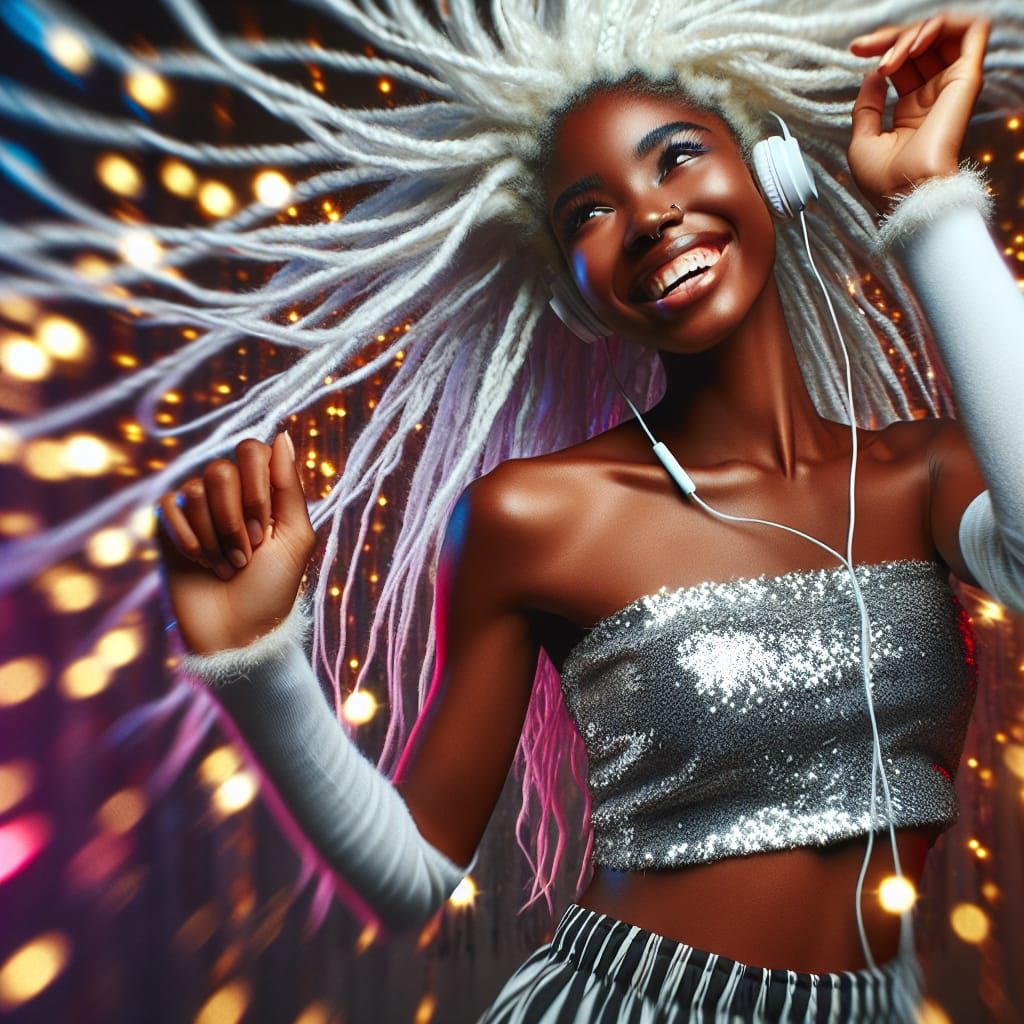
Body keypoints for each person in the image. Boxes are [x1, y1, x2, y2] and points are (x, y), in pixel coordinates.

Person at [2, 0, 1022, 1020]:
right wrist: (260, 665)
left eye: (676, 158)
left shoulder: (921, 473)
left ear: (771, 171)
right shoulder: (539, 515)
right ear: (574, 289)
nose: (650, 216)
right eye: (589, 212)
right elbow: (412, 876)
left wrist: (925, 199)